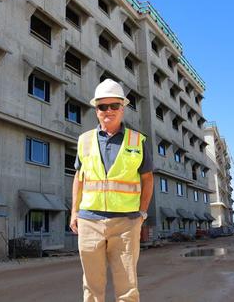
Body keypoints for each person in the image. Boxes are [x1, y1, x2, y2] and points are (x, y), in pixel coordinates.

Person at [70, 79, 154, 302]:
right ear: (96, 110)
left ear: (122, 108)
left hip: (125, 223)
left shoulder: (137, 141)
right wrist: (74, 212)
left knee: (127, 288)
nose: (108, 111)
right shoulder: (84, 140)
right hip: (89, 221)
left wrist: (142, 214)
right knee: (92, 287)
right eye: (102, 106)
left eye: (113, 106)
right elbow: (79, 178)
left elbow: (147, 179)